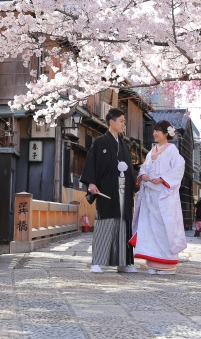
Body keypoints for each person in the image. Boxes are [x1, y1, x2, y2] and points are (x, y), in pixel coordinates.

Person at [80, 107, 137, 273]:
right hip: (107, 189)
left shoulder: (124, 145)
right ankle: (97, 261)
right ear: (111, 122)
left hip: (123, 192)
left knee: (123, 226)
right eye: (121, 121)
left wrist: (134, 185)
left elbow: (130, 169)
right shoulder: (100, 142)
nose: (123, 125)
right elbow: (91, 163)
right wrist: (91, 182)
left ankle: (123, 262)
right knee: (105, 224)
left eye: (124, 122)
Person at [130, 120, 187, 275]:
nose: (154, 134)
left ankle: (167, 265)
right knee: (151, 229)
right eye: (154, 131)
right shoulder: (151, 151)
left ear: (166, 133)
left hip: (164, 196)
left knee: (164, 228)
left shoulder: (172, 150)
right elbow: (144, 167)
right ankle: (154, 263)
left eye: (158, 131)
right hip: (150, 197)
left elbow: (179, 168)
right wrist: (144, 175)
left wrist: (162, 179)